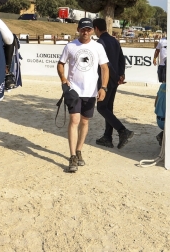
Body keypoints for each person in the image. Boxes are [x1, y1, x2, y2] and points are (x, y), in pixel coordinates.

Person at [57, 18, 109, 173]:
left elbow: (105, 68)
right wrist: (63, 79)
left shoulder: (98, 47)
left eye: (88, 29)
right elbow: (61, 64)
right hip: (74, 90)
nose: (85, 32)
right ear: (78, 29)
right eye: (82, 29)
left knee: (85, 122)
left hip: (91, 91)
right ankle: (72, 155)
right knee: (74, 120)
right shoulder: (70, 46)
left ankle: (79, 150)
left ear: (92, 30)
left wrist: (103, 87)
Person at [93, 18, 133, 149]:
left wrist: (116, 76)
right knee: (108, 108)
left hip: (106, 79)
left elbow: (106, 64)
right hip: (115, 79)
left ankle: (122, 130)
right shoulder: (114, 40)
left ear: (96, 28)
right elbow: (121, 58)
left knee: (101, 107)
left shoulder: (100, 43)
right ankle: (107, 137)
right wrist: (121, 74)